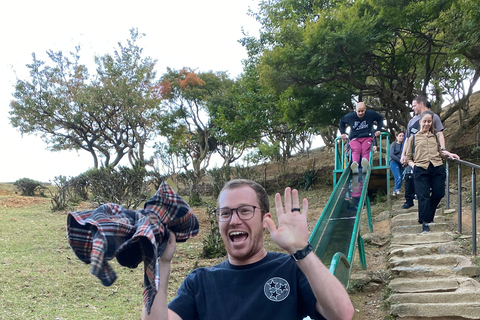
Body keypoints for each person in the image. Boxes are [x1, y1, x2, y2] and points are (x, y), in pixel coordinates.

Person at [142, 179, 354, 320]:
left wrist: (301, 249)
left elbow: (342, 314)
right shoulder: (200, 282)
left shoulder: (291, 269)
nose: (234, 220)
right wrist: (158, 264)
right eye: (225, 213)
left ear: (265, 219)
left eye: (245, 211)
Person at [404, 111, 460, 233]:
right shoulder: (412, 138)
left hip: (437, 167)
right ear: (420, 122)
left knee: (439, 193)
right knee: (423, 196)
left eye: (429, 121)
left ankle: (428, 216)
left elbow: (440, 152)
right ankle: (425, 223)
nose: (427, 124)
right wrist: (414, 166)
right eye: (424, 121)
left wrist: (449, 154)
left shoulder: (434, 137)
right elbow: (408, 159)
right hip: (420, 169)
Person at [400, 95, 446, 209]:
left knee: (430, 182)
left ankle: (429, 206)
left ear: (421, 104)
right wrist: (403, 154)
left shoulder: (433, 117)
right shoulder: (412, 121)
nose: (413, 108)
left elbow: (440, 134)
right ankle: (409, 200)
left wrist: (443, 150)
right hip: (413, 154)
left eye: (414, 105)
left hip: (428, 155)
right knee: (409, 176)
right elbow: (407, 138)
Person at [339, 102, 383, 174]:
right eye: (358, 111)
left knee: (365, 149)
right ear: (355, 110)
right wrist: (342, 133)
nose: (360, 113)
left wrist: (378, 129)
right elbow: (342, 122)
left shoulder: (371, 114)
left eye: (362, 111)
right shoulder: (350, 116)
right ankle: (355, 165)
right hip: (355, 138)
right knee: (356, 149)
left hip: (367, 136)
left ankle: (365, 164)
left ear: (365, 110)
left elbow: (380, 118)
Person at [389, 131, 405, 196]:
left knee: (401, 176)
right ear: (396, 137)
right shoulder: (394, 144)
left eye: (403, 136)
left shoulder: (404, 145)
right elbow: (391, 154)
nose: (401, 137)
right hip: (394, 161)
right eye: (400, 136)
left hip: (401, 163)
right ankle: (397, 190)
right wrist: (399, 160)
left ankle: (395, 191)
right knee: (397, 176)